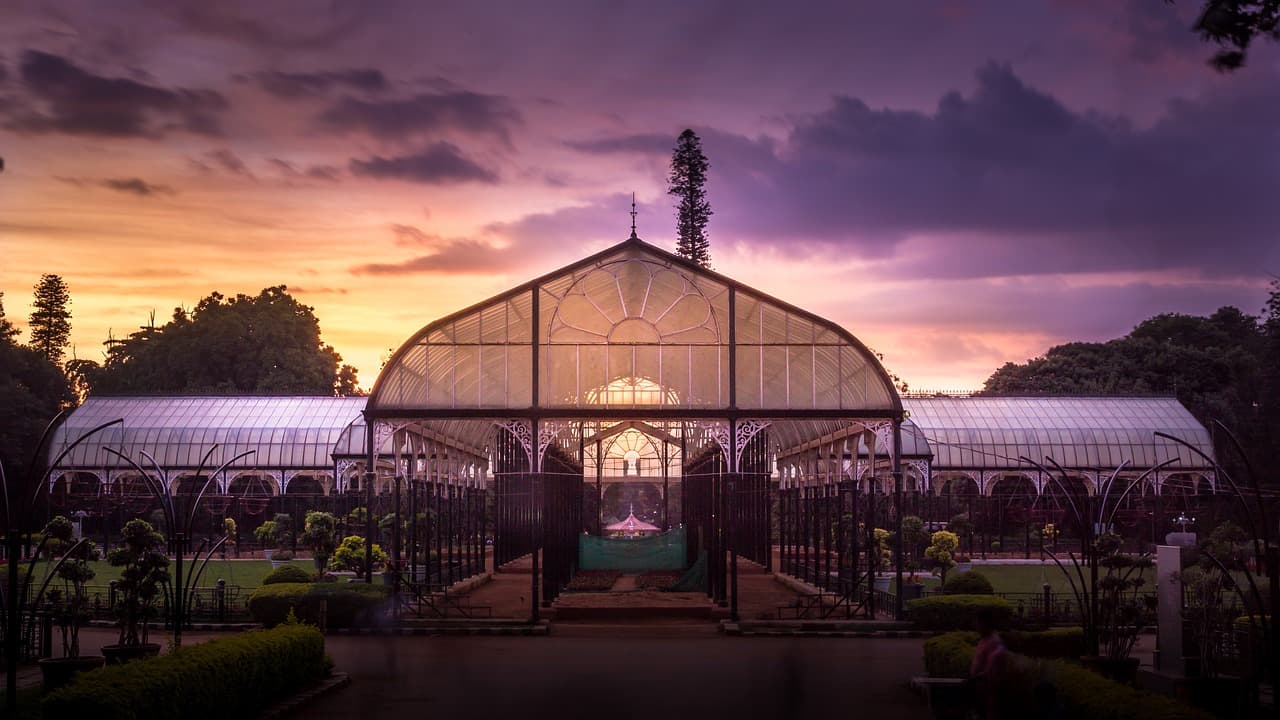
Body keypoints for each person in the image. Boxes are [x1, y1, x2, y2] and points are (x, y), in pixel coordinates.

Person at [969, 608, 1007, 719]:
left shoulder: (993, 642)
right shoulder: (984, 640)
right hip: (981, 690)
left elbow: (993, 670)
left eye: (977, 622)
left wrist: (977, 678)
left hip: (988, 693)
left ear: (984, 623)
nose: (975, 626)